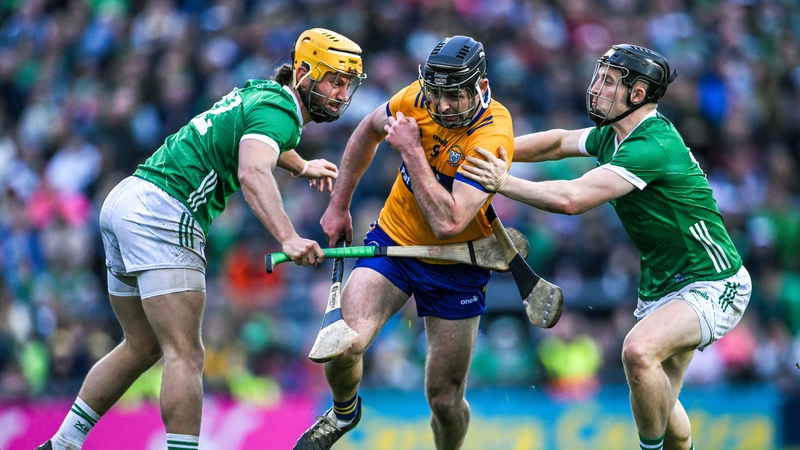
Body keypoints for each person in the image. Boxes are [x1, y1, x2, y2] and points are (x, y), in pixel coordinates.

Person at [35, 28, 366, 450]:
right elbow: (252, 170)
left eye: (347, 84)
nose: (340, 93)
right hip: (165, 213)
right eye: (333, 79)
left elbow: (253, 139)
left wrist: (300, 167)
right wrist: (287, 236)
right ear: (303, 72)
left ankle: (62, 444)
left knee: (141, 345)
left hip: (125, 200)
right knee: (186, 354)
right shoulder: (280, 111)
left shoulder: (264, 93)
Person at [460, 44, 751, 450]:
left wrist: (500, 181)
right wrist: (483, 150)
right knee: (666, 407)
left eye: (609, 81)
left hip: (713, 281)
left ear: (637, 95)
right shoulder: (613, 136)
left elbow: (572, 200)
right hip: (663, 285)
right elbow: (557, 143)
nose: (596, 87)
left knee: (638, 351)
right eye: (599, 76)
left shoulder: (652, 145)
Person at [293, 35, 513, 450]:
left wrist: (411, 151)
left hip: (457, 263)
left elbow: (449, 221)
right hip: (394, 243)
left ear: (481, 88)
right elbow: (366, 131)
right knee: (343, 349)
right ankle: (344, 413)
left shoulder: (492, 137)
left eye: (455, 96)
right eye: (437, 94)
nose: (443, 106)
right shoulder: (419, 97)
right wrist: (339, 205)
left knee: (445, 400)